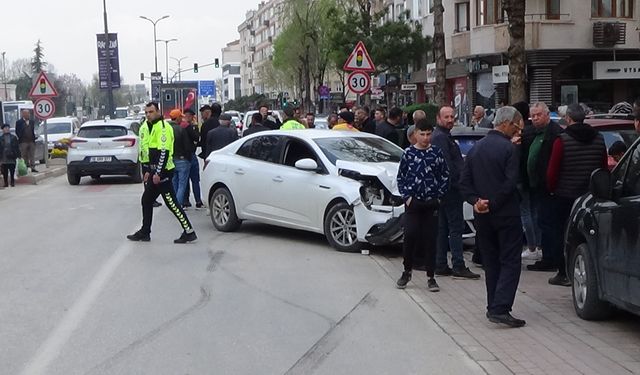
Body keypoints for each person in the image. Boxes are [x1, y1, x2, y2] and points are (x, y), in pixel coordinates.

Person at [460, 106, 526, 328]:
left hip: (482, 215)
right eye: (516, 126)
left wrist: (476, 201)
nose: (517, 131)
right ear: (506, 123)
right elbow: (510, 183)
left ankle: (493, 305)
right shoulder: (509, 149)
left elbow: (464, 182)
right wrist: (493, 203)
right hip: (505, 214)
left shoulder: (476, 149)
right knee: (510, 260)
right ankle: (501, 308)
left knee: (491, 261)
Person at [545, 103, 607, 286]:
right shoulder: (599, 139)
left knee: (562, 233)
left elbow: (552, 171)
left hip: (565, 195)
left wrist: (552, 189)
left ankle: (563, 272)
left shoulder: (561, 140)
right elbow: (603, 167)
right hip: (590, 195)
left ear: (568, 119)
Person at [127, 102, 197, 244]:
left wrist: (158, 173)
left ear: (158, 112)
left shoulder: (163, 128)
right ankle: (145, 232)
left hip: (163, 171)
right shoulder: (145, 127)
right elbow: (144, 150)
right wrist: (146, 170)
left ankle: (189, 231)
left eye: (151, 112)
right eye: (146, 112)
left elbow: (163, 152)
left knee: (171, 203)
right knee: (147, 200)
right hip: (153, 171)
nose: (148, 114)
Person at [396, 119, 449, 292]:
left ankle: (431, 276)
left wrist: (439, 197)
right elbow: (401, 177)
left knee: (430, 239)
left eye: (428, 134)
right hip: (413, 202)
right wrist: (407, 197)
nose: (425, 138)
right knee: (410, 235)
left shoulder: (436, 153)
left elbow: (444, 176)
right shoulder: (408, 153)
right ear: (415, 135)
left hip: (431, 203)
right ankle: (407, 270)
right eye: (422, 134)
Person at [432, 106, 480, 279]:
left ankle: (441, 264)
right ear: (438, 118)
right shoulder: (440, 137)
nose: (450, 119)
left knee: (444, 228)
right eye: (446, 117)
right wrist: (458, 184)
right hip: (450, 190)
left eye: (452, 116)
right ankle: (458, 264)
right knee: (455, 228)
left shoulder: (445, 136)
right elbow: (446, 166)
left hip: (447, 189)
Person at [522, 102, 563, 271]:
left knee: (549, 223)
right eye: (533, 115)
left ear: (547, 115)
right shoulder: (531, 132)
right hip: (535, 186)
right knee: (541, 221)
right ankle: (547, 255)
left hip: (550, 188)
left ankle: (551, 258)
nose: (536, 118)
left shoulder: (555, 133)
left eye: (539, 115)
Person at [512, 101, 541, 261]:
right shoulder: (535, 131)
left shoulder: (521, 135)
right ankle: (539, 245)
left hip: (521, 178)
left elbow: (517, 157)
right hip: (534, 179)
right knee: (535, 211)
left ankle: (531, 246)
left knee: (525, 212)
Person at [168, 109, 192, 208]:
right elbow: (187, 146)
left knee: (174, 183)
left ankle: (174, 202)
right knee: (182, 184)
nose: (181, 119)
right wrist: (188, 158)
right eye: (180, 117)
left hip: (171, 160)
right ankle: (178, 205)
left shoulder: (166, 129)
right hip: (182, 159)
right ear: (177, 118)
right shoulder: (181, 129)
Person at [181, 108, 204, 209]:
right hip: (187, 156)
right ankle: (186, 201)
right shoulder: (184, 127)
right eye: (186, 115)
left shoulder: (192, 127)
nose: (188, 117)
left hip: (190, 155)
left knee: (194, 180)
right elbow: (195, 138)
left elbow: (197, 138)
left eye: (189, 115)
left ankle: (198, 201)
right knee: (186, 181)